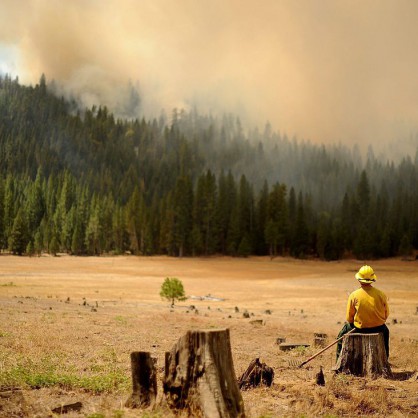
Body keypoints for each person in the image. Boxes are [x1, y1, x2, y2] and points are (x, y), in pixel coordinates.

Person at [336, 265, 390, 360]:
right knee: (386, 333)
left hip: (359, 328)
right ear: (373, 279)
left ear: (359, 279)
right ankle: (385, 360)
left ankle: (338, 363)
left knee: (341, 336)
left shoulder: (354, 295)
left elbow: (349, 318)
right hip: (379, 328)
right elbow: (386, 315)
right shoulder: (381, 294)